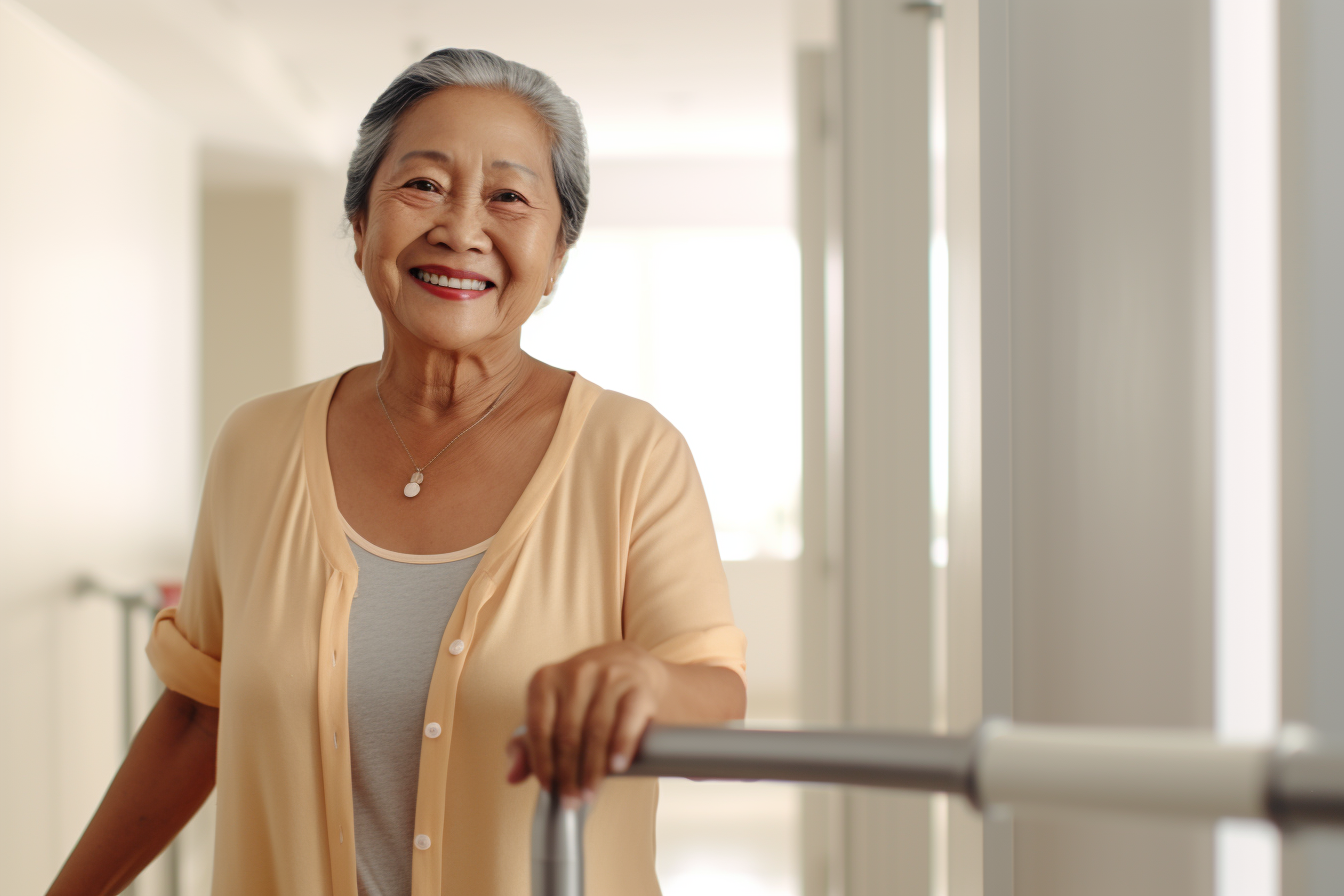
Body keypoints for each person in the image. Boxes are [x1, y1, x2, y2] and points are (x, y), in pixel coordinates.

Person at [47, 48, 746, 896]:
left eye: (509, 197)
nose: (461, 228)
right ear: (359, 226)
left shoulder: (634, 453)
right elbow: (201, 712)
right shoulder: (256, 448)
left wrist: (647, 680)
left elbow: (717, 692)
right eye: (422, 186)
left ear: (557, 255)